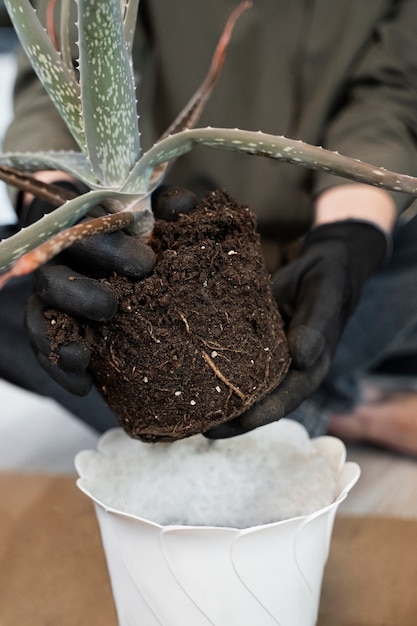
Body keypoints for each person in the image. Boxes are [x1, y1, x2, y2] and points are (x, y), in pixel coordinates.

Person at [2, 0, 417, 453]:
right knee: (41, 302)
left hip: (334, 225)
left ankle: (308, 409)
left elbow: (393, 92)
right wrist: (54, 211)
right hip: (177, 219)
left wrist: (349, 239)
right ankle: (336, 410)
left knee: (360, 292)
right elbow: (66, 69)